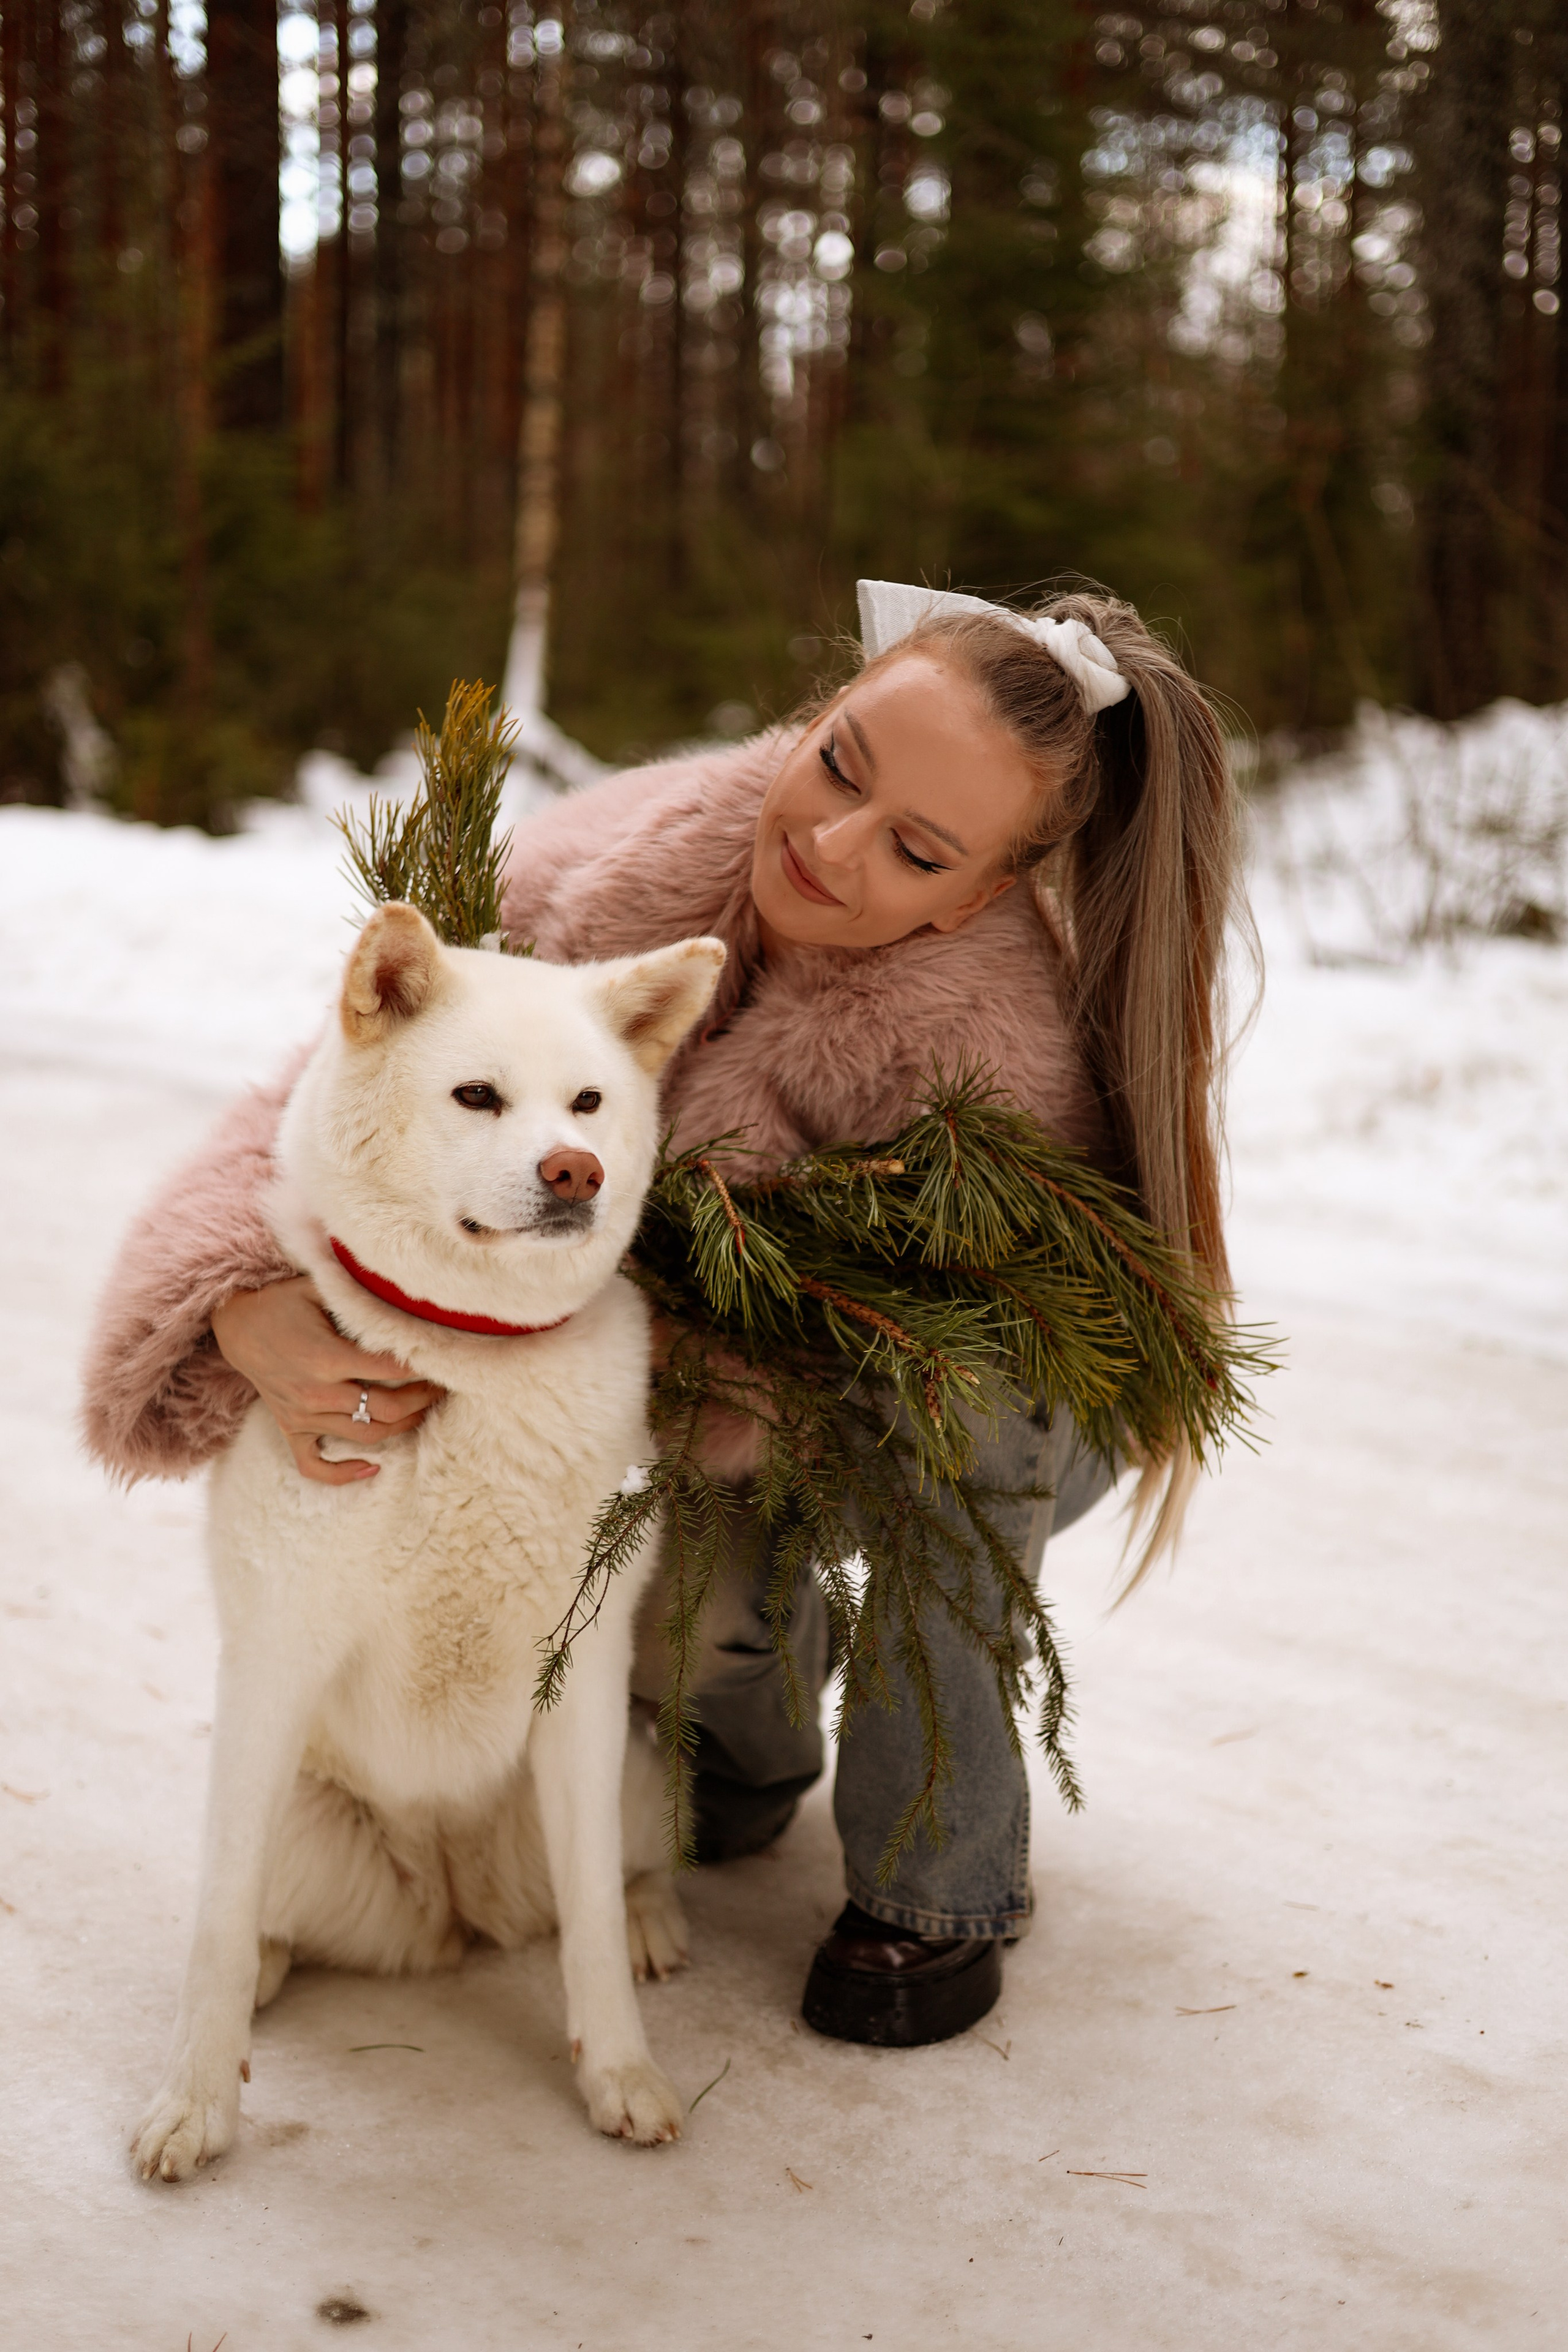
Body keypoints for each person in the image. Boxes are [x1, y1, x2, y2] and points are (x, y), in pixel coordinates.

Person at [82, 579, 1243, 2049]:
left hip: (990, 1391)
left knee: (945, 1467)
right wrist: (235, 1303)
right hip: (733, 1379)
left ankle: (934, 1888)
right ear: (820, 708)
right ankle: (739, 1765)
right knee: (689, 1610)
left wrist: (634, 1364)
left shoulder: (985, 1055)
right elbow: (332, 1091)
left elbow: (933, 1349)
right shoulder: (615, 862)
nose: (828, 842)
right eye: (838, 763)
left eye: (915, 849)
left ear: (981, 894)